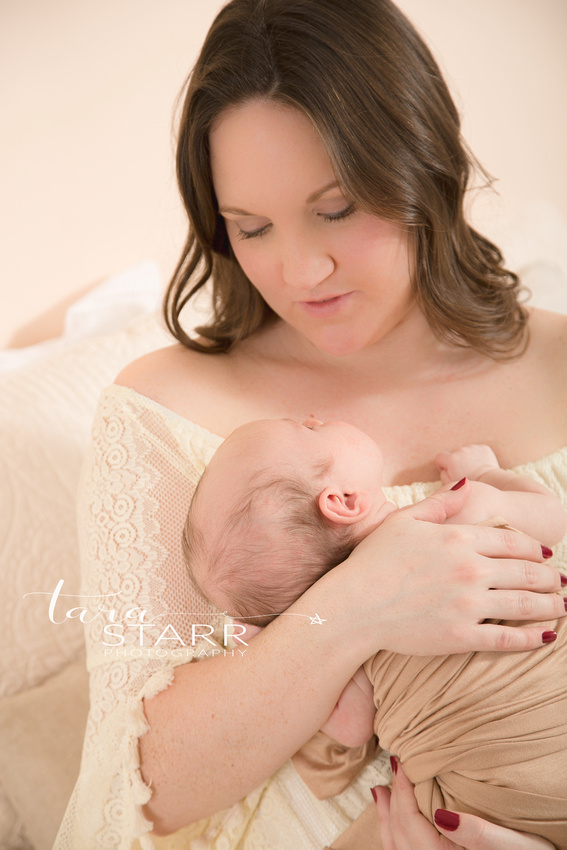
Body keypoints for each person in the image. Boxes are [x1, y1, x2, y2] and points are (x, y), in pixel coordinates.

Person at [55, 0, 567, 848]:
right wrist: (358, 605)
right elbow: (132, 779)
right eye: (250, 227)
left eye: (334, 211)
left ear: (420, 168)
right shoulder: (161, 409)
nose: (299, 270)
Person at [182, 420, 567, 848]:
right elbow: (552, 517)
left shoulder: (349, 650)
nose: (312, 417)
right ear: (343, 501)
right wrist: (486, 474)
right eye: (307, 429)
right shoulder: (457, 515)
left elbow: (345, 737)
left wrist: (269, 648)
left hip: (496, 804)